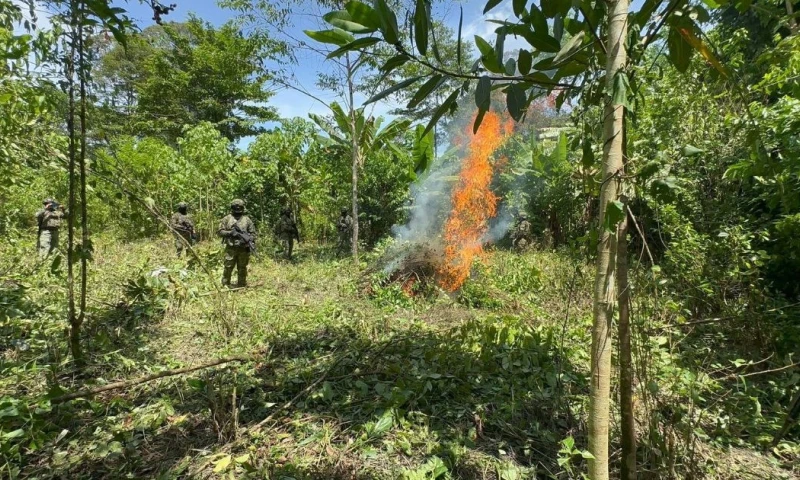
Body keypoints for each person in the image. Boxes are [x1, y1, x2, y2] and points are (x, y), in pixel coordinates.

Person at [218, 199, 256, 287]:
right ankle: (225, 284)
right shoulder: (227, 218)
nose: (238, 209)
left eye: (240, 207)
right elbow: (220, 231)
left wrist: (247, 239)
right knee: (228, 267)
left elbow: (253, 234)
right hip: (231, 248)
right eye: (236, 207)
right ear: (232, 207)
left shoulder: (247, 220)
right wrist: (230, 233)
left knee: (242, 268)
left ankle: (241, 285)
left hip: (243, 248)